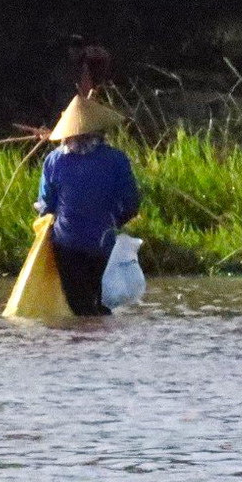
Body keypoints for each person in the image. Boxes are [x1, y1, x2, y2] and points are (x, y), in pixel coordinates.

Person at [35, 94, 140, 317]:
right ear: (98, 131)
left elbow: (47, 206)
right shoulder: (116, 159)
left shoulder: (54, 161)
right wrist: (116, 222)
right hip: (103, 243)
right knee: (102, 306)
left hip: (67, 245)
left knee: (79, 308)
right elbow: (131, 203)